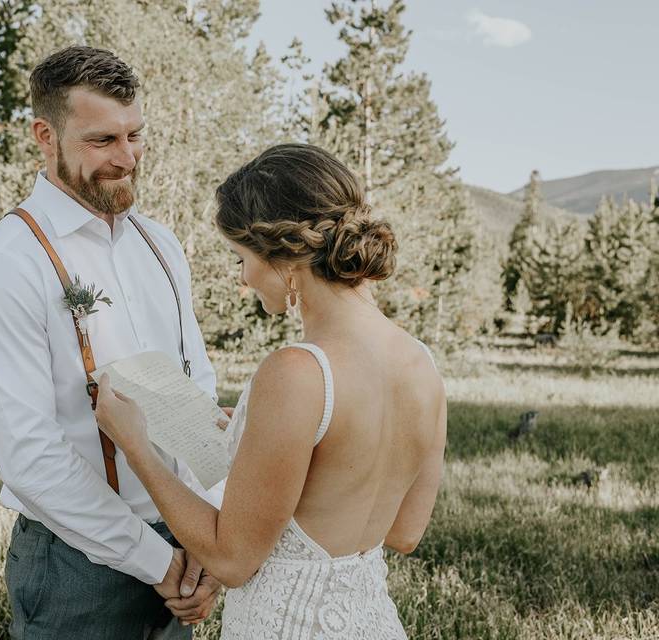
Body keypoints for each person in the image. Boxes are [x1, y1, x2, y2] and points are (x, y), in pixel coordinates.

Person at [95, 143, 447, 639]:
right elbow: (405, 533)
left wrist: (136, 448)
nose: (243, 277)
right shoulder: (422, 363)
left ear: (284, 258)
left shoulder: (297, 372)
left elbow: (232, 560)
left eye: (241, 257)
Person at [0, 46, 223, 640]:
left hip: (185, 535)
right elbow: (28, 456)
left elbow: (194, 386)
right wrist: (153, 561)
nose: (126, 158)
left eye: (135, 136)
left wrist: (209, 528)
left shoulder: (160, 244)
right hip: (79, 560)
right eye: (102, 141)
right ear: (44, 136)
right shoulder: (9, 262)